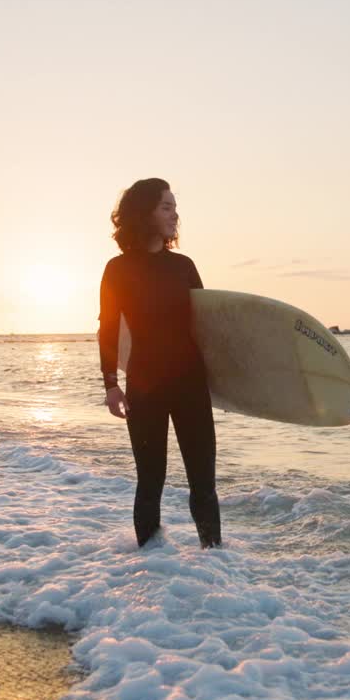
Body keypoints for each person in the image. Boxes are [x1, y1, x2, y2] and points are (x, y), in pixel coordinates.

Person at [98, 178, 220, 549]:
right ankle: (151, 569)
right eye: (166, 206)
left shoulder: (184, 266)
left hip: (190, 384)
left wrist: (230, 386)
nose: (175, 214)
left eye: (174, 206)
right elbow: (107, 328)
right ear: (144, 213)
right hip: (144, 386)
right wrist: (110, 385)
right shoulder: (117, 269)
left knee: (204, 483)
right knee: (150, 480)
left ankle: (216, 563)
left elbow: (208, 328)